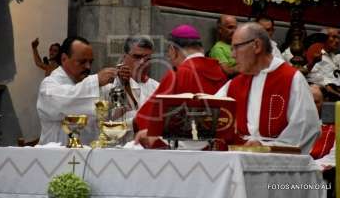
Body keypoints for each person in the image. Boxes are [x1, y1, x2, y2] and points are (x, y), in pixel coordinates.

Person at [215, 22, 320, 154]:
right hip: (239, 159)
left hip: (277, 166)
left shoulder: (291, 79)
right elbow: (211, 114)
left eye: (236, 47)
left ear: (257, 46)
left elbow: (307, 128)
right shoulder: (234, 84)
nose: (232, 55)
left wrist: (265, 147)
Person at [134, 24, 228, 148]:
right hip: (216, 152)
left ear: (173, 50)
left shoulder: (178, 74)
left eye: (168, 53)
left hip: (181, 154)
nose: (169, 59)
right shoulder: (222, 73)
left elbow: (146, 119)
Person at [36, 36, 131, 145]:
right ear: (64, 59)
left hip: (91, 157)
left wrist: (123, 82)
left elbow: (117, 110)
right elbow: (65, 103)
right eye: (82, 62)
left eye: (90, 62)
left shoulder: (93, 87)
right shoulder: (49, 86)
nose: (88, 66)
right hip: (57, 157)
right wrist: (96, 80)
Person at [101, 36, 159, 142]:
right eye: (137, 56)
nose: (142, 62)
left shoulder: (158, 88)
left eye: (147, 59)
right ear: (124, 57)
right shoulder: (110, 85)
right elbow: (109, 120)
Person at [307, 27, 340, 101]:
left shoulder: (336, 57)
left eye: (339, 38)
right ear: (323, 38)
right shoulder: (315, 55)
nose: (337, 41)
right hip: (326, 95)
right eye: (334, 37)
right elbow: (315, 80)